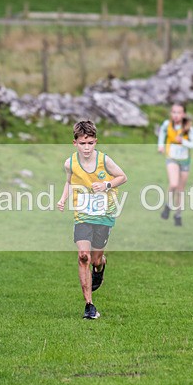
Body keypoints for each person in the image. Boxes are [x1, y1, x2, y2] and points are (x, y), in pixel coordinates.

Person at [57, 120, 127, 319]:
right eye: (82, 143)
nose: (86, 147)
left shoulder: (104, 161)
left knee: (95, 259)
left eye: (90, 143)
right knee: (83, 256)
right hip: (83, 214)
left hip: (104, 214)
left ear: (95, 142)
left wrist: (106, 185)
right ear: (75, 143)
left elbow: (122, 177)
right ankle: (89, 306)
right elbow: (69, 182)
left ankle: (101, 265)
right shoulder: (70, 163)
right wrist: (63, 199)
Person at [157, 104, 193, 226]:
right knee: (173, 184)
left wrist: (184, 142)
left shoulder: (188, 128)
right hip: (172, 158)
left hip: (185, 161)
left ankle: (178, 215)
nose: (176, 115)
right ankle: (168, 205)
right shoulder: (167, 124)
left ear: (184, 114)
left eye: (179, 112)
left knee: (181, 190)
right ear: (171, 113)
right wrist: (160, 145)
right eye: (174, 112)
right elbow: (162, 134)